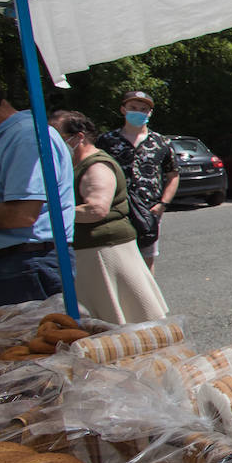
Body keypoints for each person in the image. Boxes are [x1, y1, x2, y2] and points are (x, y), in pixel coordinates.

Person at [51, 111, 168, 324]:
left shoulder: (97, 165)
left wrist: (49, 214)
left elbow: (97, 209)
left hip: (105, 253)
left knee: (125, 319)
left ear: (78, 137)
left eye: (57, 136)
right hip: (90, 253)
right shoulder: (74, 165)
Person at [0, 74, 75, 304]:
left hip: (26, 265)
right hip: (15, 264)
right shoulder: (3, 138)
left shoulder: (25, 136)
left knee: (37, 339)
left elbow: (22, 213)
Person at [98, 90, 178, 273]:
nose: (138, 112)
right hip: (116, 211)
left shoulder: (161, 142)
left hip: (148, 211)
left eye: (143, 109)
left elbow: (173, 174)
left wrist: (162, 205)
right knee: (116, 263)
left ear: (150, 113)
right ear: (123, 109)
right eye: (133, 108)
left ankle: (145, 301)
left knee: (146, 262)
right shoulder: (107, 141)